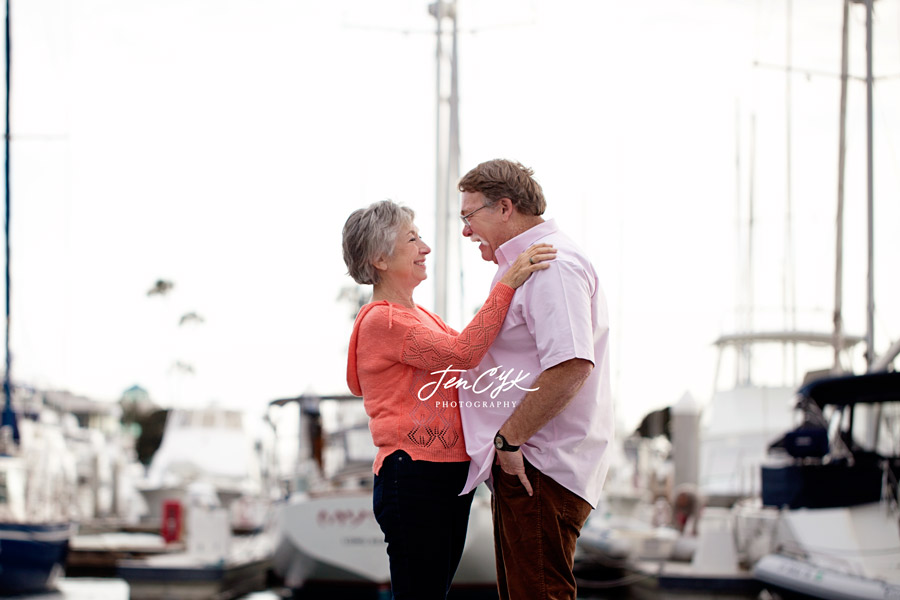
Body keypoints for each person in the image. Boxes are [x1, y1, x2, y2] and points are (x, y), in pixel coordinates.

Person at [341, 199, 555, 600]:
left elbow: (469, 352)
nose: (425, 248)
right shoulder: (384, 320)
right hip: (414, 475)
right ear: (379, 259)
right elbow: (464, 353)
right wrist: (509, 281)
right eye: (412, 238)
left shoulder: (420, 316)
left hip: (443, 477)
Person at [456, 159, 614, 600]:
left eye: (469, 216)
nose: (466, 231)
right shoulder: (526, 266)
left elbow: (572, 365)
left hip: (536, 465)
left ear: (505, 207)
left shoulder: (552, 265)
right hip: (529, 465)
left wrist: (508, 442)